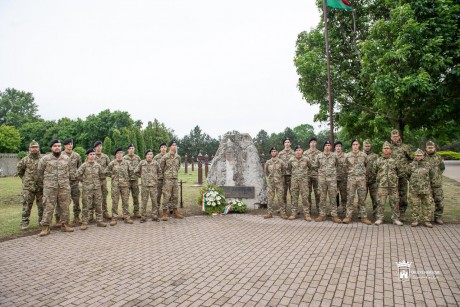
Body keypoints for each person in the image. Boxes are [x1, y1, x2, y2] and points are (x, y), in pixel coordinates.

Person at [38, 139, 74, 236]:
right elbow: (40, 173)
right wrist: (47, 183)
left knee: (65, 206)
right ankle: (45, 227)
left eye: (59, 146)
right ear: (51, 148)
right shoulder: (45, 159)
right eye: (55, 146)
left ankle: (65, 225)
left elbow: (71, 172)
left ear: (61, 147)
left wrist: (66, 183)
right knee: (48, 207)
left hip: (64, 187)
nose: (57, 147)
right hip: (50, 188)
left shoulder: (67, 159)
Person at [372, 142, 404, 226]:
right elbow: (374, 171)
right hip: (382, 185)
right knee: (380, 202)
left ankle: (395, 219)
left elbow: (399, 172)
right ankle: (380, 218)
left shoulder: (395, 160)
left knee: (395, 202)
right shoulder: (378, 160)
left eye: (388, 148)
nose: (386, 150)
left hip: (393, 185)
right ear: (382, 150)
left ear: (390, 150)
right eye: (384, 148)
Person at [76, 148, 107, 229]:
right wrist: (84, 181)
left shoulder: (98, 165)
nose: (93, 156)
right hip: (87, 189)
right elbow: (77, 175)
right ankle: (84, 222)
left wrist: (98, 183)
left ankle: (99, 220)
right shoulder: (84, 165)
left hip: (97, 189)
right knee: (86, 205)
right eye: (91, 154)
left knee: (98, 204)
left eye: (94, 154)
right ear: (87, 155)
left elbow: (102, 175)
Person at [342, 139, 372, 225]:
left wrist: (362, 173)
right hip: (351, 179)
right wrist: (351, 173)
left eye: (357, 144)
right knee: (350, 198)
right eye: (354, 144)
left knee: (362, 199)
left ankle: (364, 217)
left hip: (361, 180)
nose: (355, 146)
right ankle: (348, 216)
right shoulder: (347, 156)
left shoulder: (364, 155)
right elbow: (345, 167)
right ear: (352, 146)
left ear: (359, 145)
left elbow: (367, 165)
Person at [17, 140, 43, 230]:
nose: (34, 149)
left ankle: (42, 221)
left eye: (36, 147)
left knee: (42, 205)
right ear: (29, 149)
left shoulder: (43, 159)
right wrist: (25, 180)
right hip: (28, 187)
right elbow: (20, 171)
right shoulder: (25, 160)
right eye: (33, 147)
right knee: (27, 205)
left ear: (38, 148)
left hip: (41, 186)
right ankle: (24, 222)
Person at [105, 148, 133, 225]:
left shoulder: (127, 163)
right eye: (118, 153)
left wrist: (127, 178)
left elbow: (131, 172)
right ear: (116, 155)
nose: (120, 154)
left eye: (121, 153)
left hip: (125, 185)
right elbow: (106, 171)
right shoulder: (112, 163)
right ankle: (114, 218)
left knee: (125, 202)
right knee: (115, 202)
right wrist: (113, 176)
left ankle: (127, 217)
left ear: (123, 154)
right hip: (115, 186)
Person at [408, 149, 435, 228]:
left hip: (425, 189)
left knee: (427, 205)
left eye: (420, 155)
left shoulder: (428, 164)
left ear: (423, 156)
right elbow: (407, 174)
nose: (418, 157)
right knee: (414, 205)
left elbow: (432, 175)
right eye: (417, 155)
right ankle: (415, 220)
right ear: (415, 156)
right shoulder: (411, 165)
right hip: (414, 190)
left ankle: (427, 221)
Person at [134, 149, 163, 222]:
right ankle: (143, 217)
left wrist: (156, 178)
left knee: (154, 202)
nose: (149, 156)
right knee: (144, 201)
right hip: (145, 186)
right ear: (145, 155)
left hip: (153, 186)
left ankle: (155, 216)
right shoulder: (142, 163)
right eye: (148, 154)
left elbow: (160, 172)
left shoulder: (156, 163)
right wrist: (142, 176)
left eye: (151, 154)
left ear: (152, 155)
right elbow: (135, 171)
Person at [390, 129, 413, 221]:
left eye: (396, 136)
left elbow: (412, 159)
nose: (395, 138)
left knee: (403, 195)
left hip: (403, 175)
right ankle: (395, 213)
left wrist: (408, 169)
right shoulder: (388, 148)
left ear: (399, 137)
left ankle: (402, 213)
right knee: (393, 196)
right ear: (391, 137)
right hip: (392, 176)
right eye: (393, 136)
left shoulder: (405, 147)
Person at [316, 141, 341, 223]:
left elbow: (337, 165)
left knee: (333, 198)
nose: (327, 147)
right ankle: (322, 214)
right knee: (322, 198)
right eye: (326, 145)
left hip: (332, 181)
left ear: (331, 147)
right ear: (323, 147)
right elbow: (316, 166)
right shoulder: (319, 156)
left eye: (329, 145)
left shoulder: (334, 156)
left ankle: (334, 215)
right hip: (322, 180)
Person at [160, 140, 184, 221]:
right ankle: (164, 213)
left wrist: (174, 173)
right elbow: (161, 168)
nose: (174, 146)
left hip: (175, 179)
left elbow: (178, 166)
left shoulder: (178, 157)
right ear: (170, 147)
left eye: (175, 145)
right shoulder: (165, 157)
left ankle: (175, 212)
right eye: (173, 145)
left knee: (175, 196)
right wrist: (166, 175)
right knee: (166, 196)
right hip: (167, 179)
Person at [62, 138, 82, 226]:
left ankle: (76, 216)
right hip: (64, 182)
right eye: (68, 144)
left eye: (71, 144)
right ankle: (62, 219)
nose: (70, 145)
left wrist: (78, 178)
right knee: (63, 201)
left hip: (74, 182)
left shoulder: (77, 156)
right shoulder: (61, 155)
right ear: (65, 145)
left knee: (76, 200)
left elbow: (80, 168)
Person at [288, 145, 311, 221]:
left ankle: (307, 214)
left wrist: (305, 175)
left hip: (304, 182)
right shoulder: (291, 160)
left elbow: (310, 167)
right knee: (294, 198)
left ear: (302, 151)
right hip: (294, 182)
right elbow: (289, 168)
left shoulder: (306, 159)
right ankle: (293, 213)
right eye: (297, 150)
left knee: (305, 198)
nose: (298, 152)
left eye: (300, 150)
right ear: (294, 152)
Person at [424, 141, 445, 224]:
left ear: (434, 148)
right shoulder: (422, 157)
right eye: (428, 148)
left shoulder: (439, 157)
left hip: (437, 184)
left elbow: (442, 168)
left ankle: (437, 217)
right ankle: (427, 218)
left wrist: (437, 175)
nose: (430, 149)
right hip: (426, 184)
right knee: (427, 202)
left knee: (439, 201)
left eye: (431, 147)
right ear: (426, 148)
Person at [263, 147, 287, 219]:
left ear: (277, 152)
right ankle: (269, 213)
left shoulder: (281, 162)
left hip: (279, 183)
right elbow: (266, 172)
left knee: (280, 198)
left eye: (275, 151)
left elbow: (283, 171)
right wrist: (271, 178)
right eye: (272, 151)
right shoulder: (268, 162)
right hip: (271, 183)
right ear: (270, 153)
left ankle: (283, 213)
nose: (273, 152)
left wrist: (279, 177)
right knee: (270, 198)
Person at [93, 140, 111, 220]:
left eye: (100, 146)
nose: (99, 148)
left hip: (103, 180)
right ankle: (91, 214)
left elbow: (110, 167)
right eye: (97, 146)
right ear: (95, 147)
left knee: (104, 196)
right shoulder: (92, 155)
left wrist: (107, 173)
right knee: (94, 197)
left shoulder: (105, 157)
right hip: (94, 181)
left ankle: (105, 212)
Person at [123, 144, 141, 218]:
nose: (131, 150)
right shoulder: (124, 158)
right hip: (126, 181)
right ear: (128, 150)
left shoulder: (137, 158)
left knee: (135, 196)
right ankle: (125, 213)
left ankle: (136, 212)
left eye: (132, 148)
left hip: (135, 181)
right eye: (130, 148)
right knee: (125, 198)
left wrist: (139, 175)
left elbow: (141, 167)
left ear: (134, 149)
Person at [304, 137, 321, 215]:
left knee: (318, 193)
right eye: (311, 142)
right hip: (307, 175)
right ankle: (308, 210)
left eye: (314, 142)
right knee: (307, 193)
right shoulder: (305, 153)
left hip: (317, 175)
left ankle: (319, 209)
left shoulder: (320, 153)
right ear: (309, 144)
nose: (313, 144)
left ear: (316, 143)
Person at [277, 137, 294, 210]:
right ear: (284, 144)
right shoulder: (280, 154)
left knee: (293, 193)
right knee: (283, 193)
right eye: (285, 142)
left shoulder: (294, 153)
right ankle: (283, 209)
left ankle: (294, 209)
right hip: (283, 176)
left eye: (288, 142)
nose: (287, 143)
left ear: (290, 144)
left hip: (292, 175)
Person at [363, 139, 378, 217]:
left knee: (375, 198)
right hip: (363, 180)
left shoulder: (375, 156)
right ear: (363, 146)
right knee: (362, 198)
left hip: (373, 180)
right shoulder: (361, 155)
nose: (367, 147)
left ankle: (376, 213)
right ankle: (361, 213)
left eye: (368, 146)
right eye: (366, 146)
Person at [154, 142, 168, 215]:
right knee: (158, 195)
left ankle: (168, 209)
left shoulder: (169, 156)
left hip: (167, 179)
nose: (163, 148)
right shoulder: (156, 157)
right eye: (162, 147)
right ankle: (156, 209)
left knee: (167, 195)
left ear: (166, 148)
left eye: (164, 147)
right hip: (159, 179)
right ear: (160, 149)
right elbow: (153, 167)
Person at [334, 141, 347, 213]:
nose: (338, 147)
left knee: (344, 194)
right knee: (333, 194)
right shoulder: (332, 155)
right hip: (334, 178)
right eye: (337, 146)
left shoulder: (346, 155)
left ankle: (344, 209)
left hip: (343, 178)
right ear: (335, 147)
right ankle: (334, 209)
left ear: (341, 147)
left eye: (339, 146)